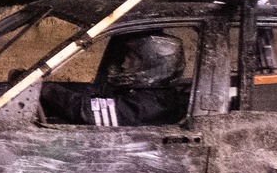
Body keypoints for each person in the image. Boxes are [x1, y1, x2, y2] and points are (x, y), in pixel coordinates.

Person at [38, 31, 190, 127]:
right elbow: (97, 91)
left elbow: (87, 111)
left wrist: (44, 90)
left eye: (132, 59)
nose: (124, 64)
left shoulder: (149, 105)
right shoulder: (148, 91)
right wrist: (45, 86)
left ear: (150, 64)